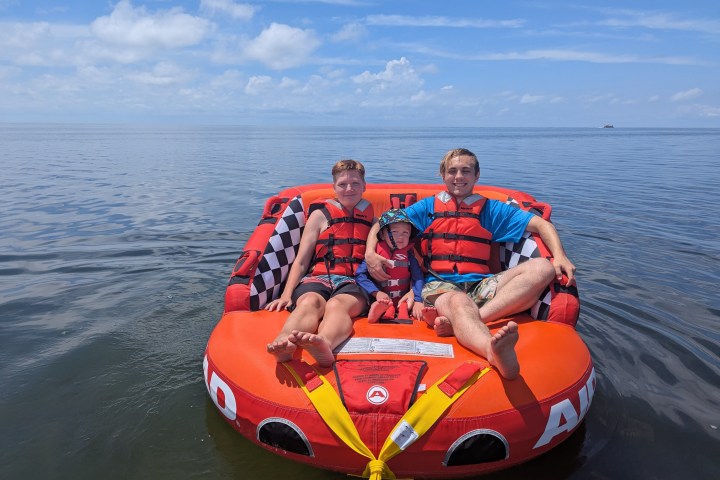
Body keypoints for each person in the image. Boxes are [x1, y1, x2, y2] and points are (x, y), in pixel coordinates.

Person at [364, 148, 576, 380]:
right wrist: (370, 253)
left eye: (466, 171)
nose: (459, 176)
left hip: (481, 283)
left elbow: (541, 225)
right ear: (443, 175)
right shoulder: (426, 208)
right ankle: (492, 351)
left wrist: (560, 255)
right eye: (452, 171)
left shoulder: (491, 209)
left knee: (543, 268)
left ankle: (468, 321)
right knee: (459, 301)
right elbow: (385, 221)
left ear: (476, 176)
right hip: (440, 285)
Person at [266, 159, 374, 367]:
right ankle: (284, 341)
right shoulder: (319, 216)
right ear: (334, 188)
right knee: (309, 302)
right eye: (342, 184)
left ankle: (324, 341)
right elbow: (302, 260)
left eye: (355, 183)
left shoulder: (373, 221)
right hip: (318, 277)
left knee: (337, 305)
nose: (349, 188)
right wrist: (287, 295)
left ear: (364, 186)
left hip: (353, 281)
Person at [355, 209, 425, 322]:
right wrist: (376, 292)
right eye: (395, 232)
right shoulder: (375, 255)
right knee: (381, 303)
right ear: (382, 235)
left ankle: (404, 311)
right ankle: (381, 309)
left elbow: (418, 278)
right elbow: (360, 275)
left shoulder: (409, 256)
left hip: (404, 298)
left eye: (405, 233)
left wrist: (417, 300)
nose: (400, 237)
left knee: (406, 305)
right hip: (381, 298)